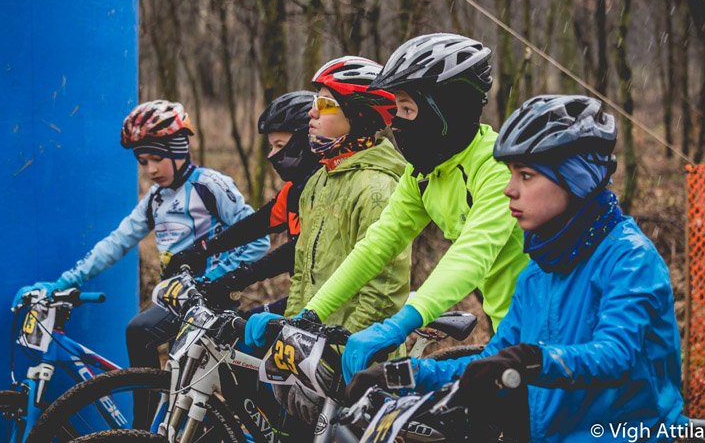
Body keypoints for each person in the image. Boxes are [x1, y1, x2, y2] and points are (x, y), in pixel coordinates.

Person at [348, 95, 685, 442]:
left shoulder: (629, 257)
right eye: (511, 174)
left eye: (526, 175)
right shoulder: (537, 272)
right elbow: (492, 359)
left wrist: (531, 360)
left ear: (577, 178)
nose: (510, 189)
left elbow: (616, 355)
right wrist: (403, 375)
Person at [11, 100, 269, 422]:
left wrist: (214, 278)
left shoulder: (210, 186)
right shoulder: (156, 199)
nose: (149, 170)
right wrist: (65, 282)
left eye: (156, 159)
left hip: (210, 301)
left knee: (140, 332)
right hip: (179, 301)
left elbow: (260, 239)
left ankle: (141, 428)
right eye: (142, 161)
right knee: (193, 392)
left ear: (178, 150)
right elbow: (116, 242)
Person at [295, 34, 529, 384]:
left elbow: (471, 254)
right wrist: (310, 314)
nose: (396, 124)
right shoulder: (423, 174)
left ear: (446, 111)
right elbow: (378, 245)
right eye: (396, 110)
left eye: (407, 110)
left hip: (552, 329)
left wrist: (400, 324)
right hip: (508, 328)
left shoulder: (495, 168)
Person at [244, 56, 413, 424]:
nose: (312, 115)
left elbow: (383, 290)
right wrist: (291, 338)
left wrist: (343, 349)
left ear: (359, 117)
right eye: (313, 105)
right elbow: (303, 274)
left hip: (354, 362)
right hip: (312, 352)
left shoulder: (377, 188)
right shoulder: (319, 181)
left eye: (324, 105)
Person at [166, 91, 322, 312]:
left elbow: (299, 249)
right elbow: (256, 225)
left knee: (242, 333)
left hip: (326, 304)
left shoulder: (326, 190)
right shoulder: (294, 190)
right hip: (305, 297)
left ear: (304, 143)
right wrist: (201, 250)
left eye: (279, 145)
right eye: (270, 147)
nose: (271, 156)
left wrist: (241, 276)